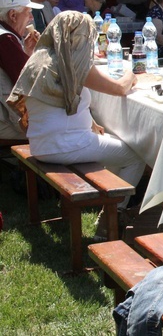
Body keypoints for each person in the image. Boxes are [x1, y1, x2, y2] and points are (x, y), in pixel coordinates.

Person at [7, 12, 145, 237]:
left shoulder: (37, 57)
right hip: (65, 146)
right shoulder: (75, 63)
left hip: (41, 143)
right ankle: (113, 214)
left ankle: (107, 201)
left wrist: (90, 121)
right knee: (136, 157)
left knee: (112, 144)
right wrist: (133, 70)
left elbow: (59, 100)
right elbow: (120, 88)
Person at [0, 0, 41, 139]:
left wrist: (27, 53)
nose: (31, 18)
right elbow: (29, 82)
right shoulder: (6, 39)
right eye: (28, 12)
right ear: (12, 15)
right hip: (5, 123)